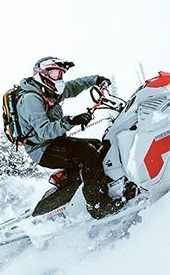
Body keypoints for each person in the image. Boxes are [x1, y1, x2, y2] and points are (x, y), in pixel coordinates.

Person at [16, 56, 125, 219]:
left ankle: (83, 193)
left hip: (54, 143)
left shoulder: (49, 92)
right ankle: (98, 205)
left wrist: (96, 80)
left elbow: (74, 86)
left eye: (60, 74)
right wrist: (71, 121)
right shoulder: (32, 98)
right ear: (41, 73)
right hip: (42, 150)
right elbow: (45, 131)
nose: (58, 78)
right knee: (87, 153)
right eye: (54, 73)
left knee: (97, 145)